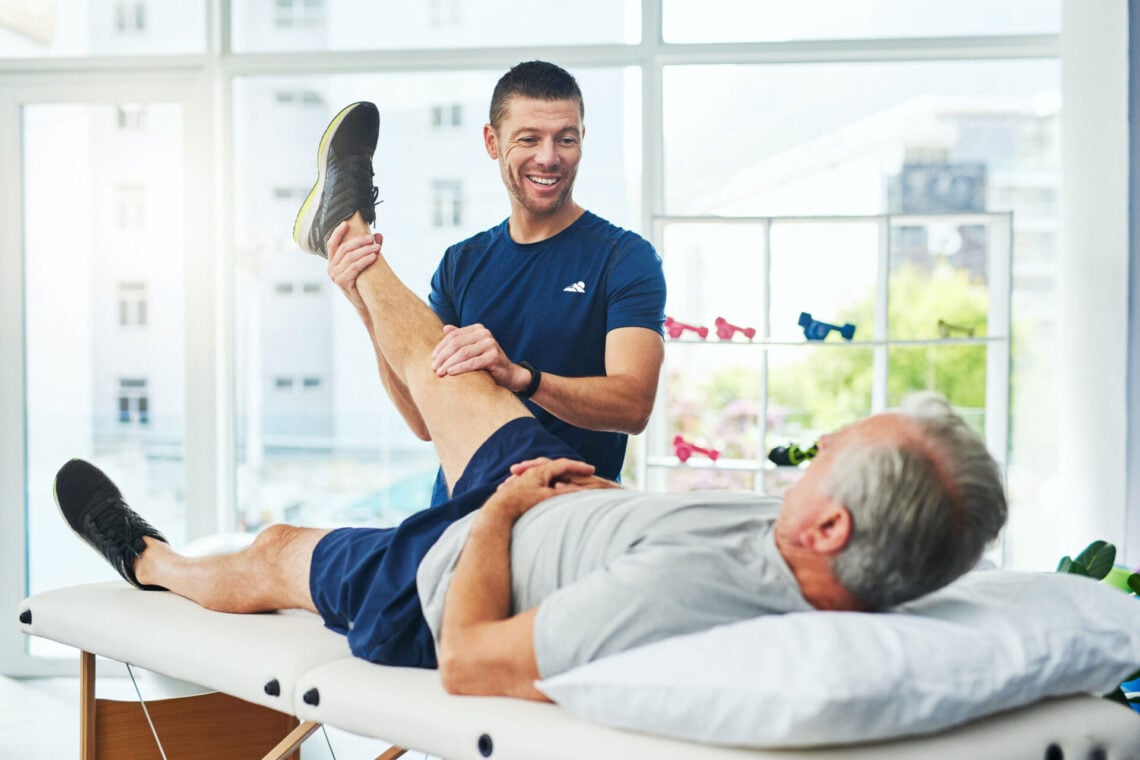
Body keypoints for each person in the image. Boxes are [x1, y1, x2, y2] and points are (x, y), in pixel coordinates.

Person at [55, 135, 1008, 700]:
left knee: (272, 548)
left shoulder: (700, 588)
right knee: (445, 357)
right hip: (551, 488)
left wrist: (505, 516)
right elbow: (423, 419)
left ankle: (144, 559)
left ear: (833, 523)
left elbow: (470, 663)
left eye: (840, 451)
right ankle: (342, 237)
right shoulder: (819, 548)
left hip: (453, 568)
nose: (823, 444)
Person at [297, 61, 667, 504]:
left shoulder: (624, 257)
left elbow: (633, 407)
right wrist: (363, 303)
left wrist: (520, 377)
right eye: (528, 138)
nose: (548, 157)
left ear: (582, 140)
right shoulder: (462, 262)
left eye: (565, 138)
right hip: (461, 509)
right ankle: (349, 233)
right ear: (492, 142)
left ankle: (346, 222)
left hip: (566, 511)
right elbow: (421, 417)